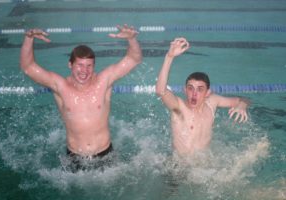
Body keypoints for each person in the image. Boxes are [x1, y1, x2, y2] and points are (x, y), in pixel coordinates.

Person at [20, 24, 142, 172]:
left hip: (105, 155)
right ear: (70, 64)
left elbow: (133, 59)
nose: (84, 71)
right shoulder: (60, 86)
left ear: (94, 66)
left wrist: (132, 39)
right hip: (74, 158)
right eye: (80, 65)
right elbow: (28, 67)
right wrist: (28, 38)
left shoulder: (104, 81)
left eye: (89, 66)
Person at [156, 37, 249, 156]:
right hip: (179, 169)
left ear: (208, 93)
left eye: (200, 89)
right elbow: (160, 91)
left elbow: (243, 100)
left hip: (203, 167)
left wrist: (241, 106)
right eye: (190, 88)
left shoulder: (212, 102)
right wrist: (169, 57)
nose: (194, 93)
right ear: (185, 90)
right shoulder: (179, 107)